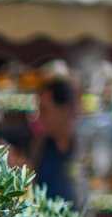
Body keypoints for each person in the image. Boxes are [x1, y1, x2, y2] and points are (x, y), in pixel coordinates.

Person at [33, 78, 80, 207]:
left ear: (64, 110)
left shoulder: (84, 149)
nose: (38, 117)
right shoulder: (40, 147)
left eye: (44, 110)